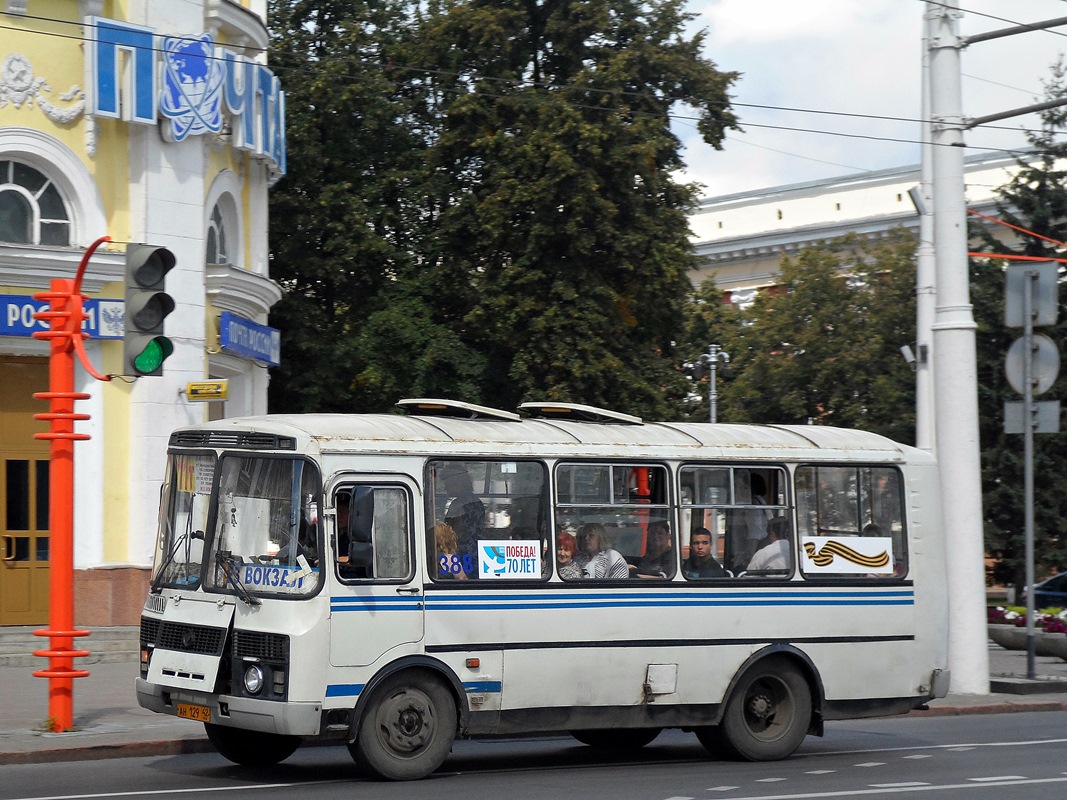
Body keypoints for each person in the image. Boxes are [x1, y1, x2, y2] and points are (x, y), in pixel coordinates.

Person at [441, 466, 485, 557]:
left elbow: (450, 529)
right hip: (477, 549)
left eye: (447, 484)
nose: (445, 488)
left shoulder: (458, 504)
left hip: (462, 550)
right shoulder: (476, 501)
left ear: (457, 483)